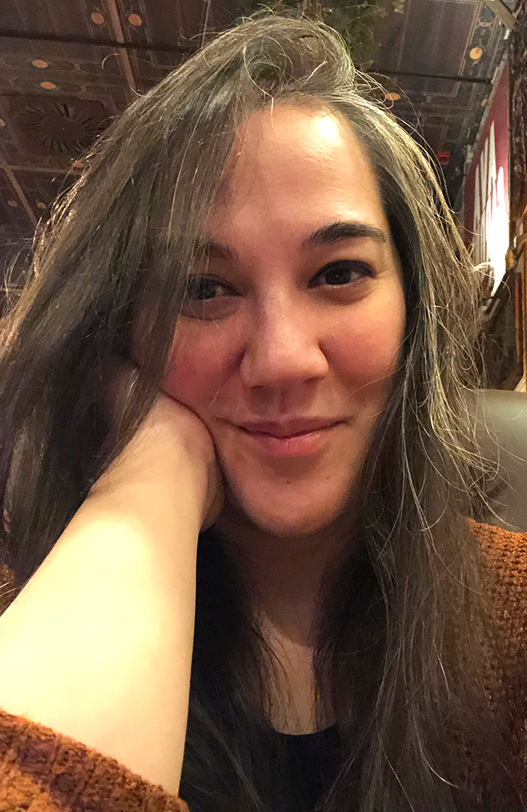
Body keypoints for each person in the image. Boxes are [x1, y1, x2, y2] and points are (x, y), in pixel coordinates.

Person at [0, 11, 525, 812]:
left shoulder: (512, 616)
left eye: (338, 273)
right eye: (202, 288)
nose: (282, 358)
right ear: (115, 330)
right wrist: (150, 485)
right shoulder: (25, 609)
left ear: (413, 310)